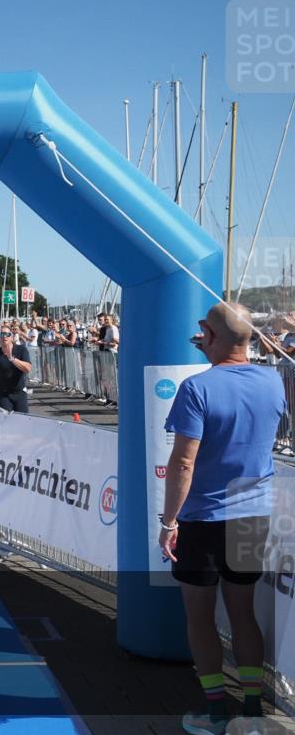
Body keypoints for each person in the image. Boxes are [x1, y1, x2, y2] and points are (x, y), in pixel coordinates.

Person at [159, 303, 286, 735]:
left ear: (208, 337)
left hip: (204, 518)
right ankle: (251, 710)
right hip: (253, 514)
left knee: (200, 616)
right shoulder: (273, 380)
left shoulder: (197, 388)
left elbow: (182, 464)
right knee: (243, 612)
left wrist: (168, 522)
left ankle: (215, 711)